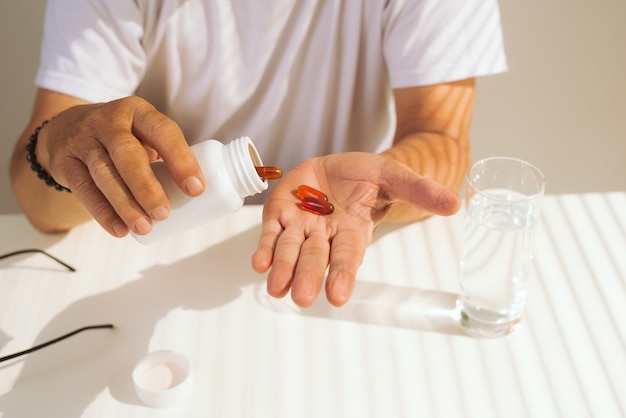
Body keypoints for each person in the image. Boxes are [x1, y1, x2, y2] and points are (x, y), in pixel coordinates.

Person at [9, 0, 507, 308]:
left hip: (319, 256)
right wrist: (57, 147)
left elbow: (440, 138)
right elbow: (40, 207)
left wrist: (379, 193)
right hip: (157, 269)